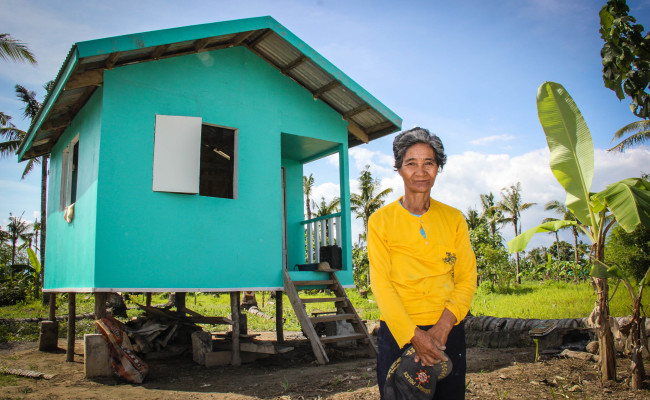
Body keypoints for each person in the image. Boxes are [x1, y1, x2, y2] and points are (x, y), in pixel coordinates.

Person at [368, 127, 477, 399]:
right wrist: (415, 336)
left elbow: (466, 278)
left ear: (438, 168)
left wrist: (441, 329)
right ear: (399, 169)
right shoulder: (380, 221)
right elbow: (381, 285)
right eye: (411, 163)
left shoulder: (454, 219)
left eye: (429, 163)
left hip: (448, 331)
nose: (420, 171)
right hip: (398, 334)